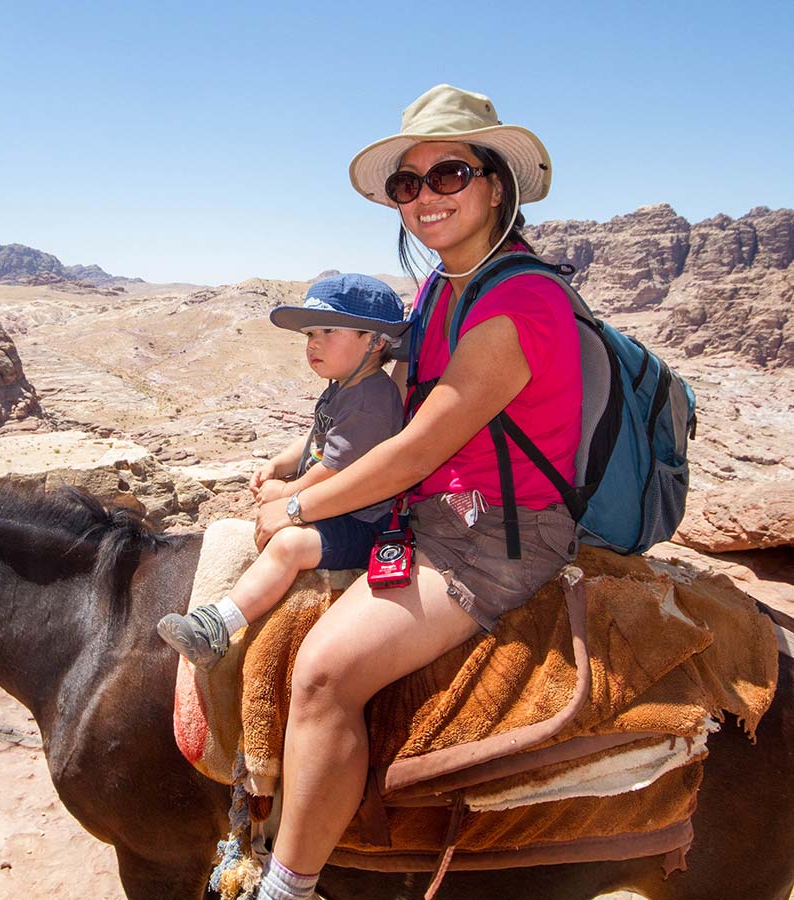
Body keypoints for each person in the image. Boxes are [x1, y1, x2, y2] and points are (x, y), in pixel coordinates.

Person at [248, 84, 582, 900]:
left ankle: (286, 887)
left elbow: (411, 451)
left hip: (496, 536)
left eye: (449, 175)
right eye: (407, 183)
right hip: (432, 516)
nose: (424, 196)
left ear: (494, 184)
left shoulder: (521, 298)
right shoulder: (439, 289)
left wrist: (292, 509)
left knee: (325, 673)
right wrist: (298, 462)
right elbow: (385, 393)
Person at [157, 273, 406, 669]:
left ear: (376, 342)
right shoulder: (345, 386)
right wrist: (280, 464)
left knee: (289, 548)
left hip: (361, 521)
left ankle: (217, 626)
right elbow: (318, 438)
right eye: (309, 334)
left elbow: (335, 469)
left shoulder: (370, 399)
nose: (313, 342)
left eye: (328, 330)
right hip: (333, 505)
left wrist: (288, 495)